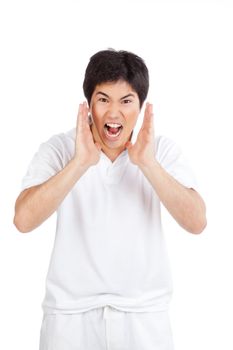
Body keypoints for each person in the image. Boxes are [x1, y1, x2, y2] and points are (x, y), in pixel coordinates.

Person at [14, 49, 207, 350]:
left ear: (141, 106)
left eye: (126, 101)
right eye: (103, 99)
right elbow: (23, 220)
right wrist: (80, 163)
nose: (114, 113)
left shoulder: (161, 151)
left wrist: (148, 164)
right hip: (69, 319)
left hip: (144, 319)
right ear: (89, 104)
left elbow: (197, 221)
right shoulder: (61, 149)